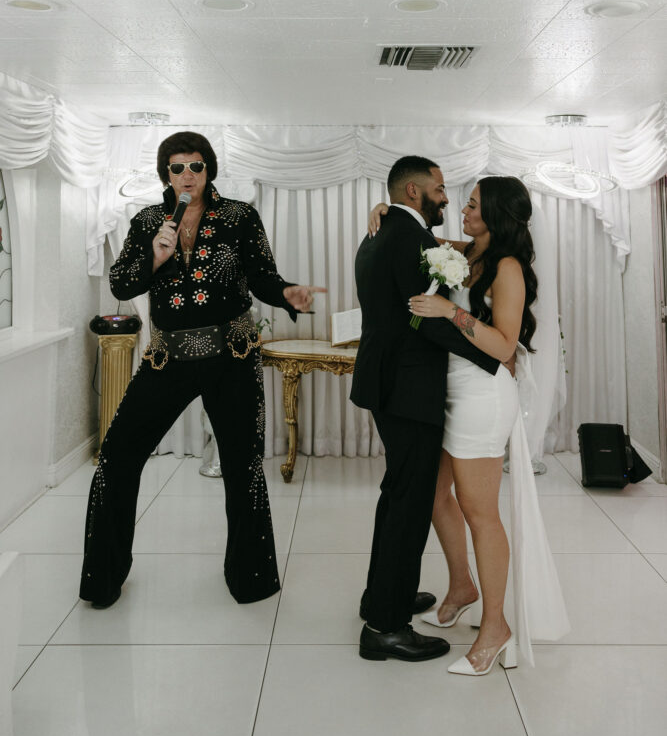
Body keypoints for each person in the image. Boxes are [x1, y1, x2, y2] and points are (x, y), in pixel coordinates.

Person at [80, 131, 323, 609]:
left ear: (209, 169)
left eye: (196, 166)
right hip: (167, 359)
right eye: (177, 168)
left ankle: (251, 578)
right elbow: (121, 280)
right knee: (117, 458)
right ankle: (103, 578)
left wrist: (288, 292)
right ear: (164, 174)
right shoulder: (149, 220)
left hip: (231, 356)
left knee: (243, 467)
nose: (187, 175)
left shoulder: (238, 217)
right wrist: (157, 255)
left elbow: (263, 277)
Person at [372, 175, 569, 674]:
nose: (463, 209)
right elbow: (413, 234)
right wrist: (382, 210)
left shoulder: (506, 267)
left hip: (483, 395)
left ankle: (496, 627)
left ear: (497, 214)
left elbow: (505, 346)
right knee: (435, 495)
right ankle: (462, 583)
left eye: (475, 204)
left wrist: (447, 312)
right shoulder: (464, 251)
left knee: (481, 512)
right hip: (447, 392)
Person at [350, 156, 501, 663]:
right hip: (409, 391)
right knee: (410, 504)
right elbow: (424, 319)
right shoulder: (408, 238)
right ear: (414, 192)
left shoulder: (381, 231)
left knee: (398, 495)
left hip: (388, 383)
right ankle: (386, 627)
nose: (446, 198)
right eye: (439, 189)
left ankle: (382, 595)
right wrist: (494, 356)